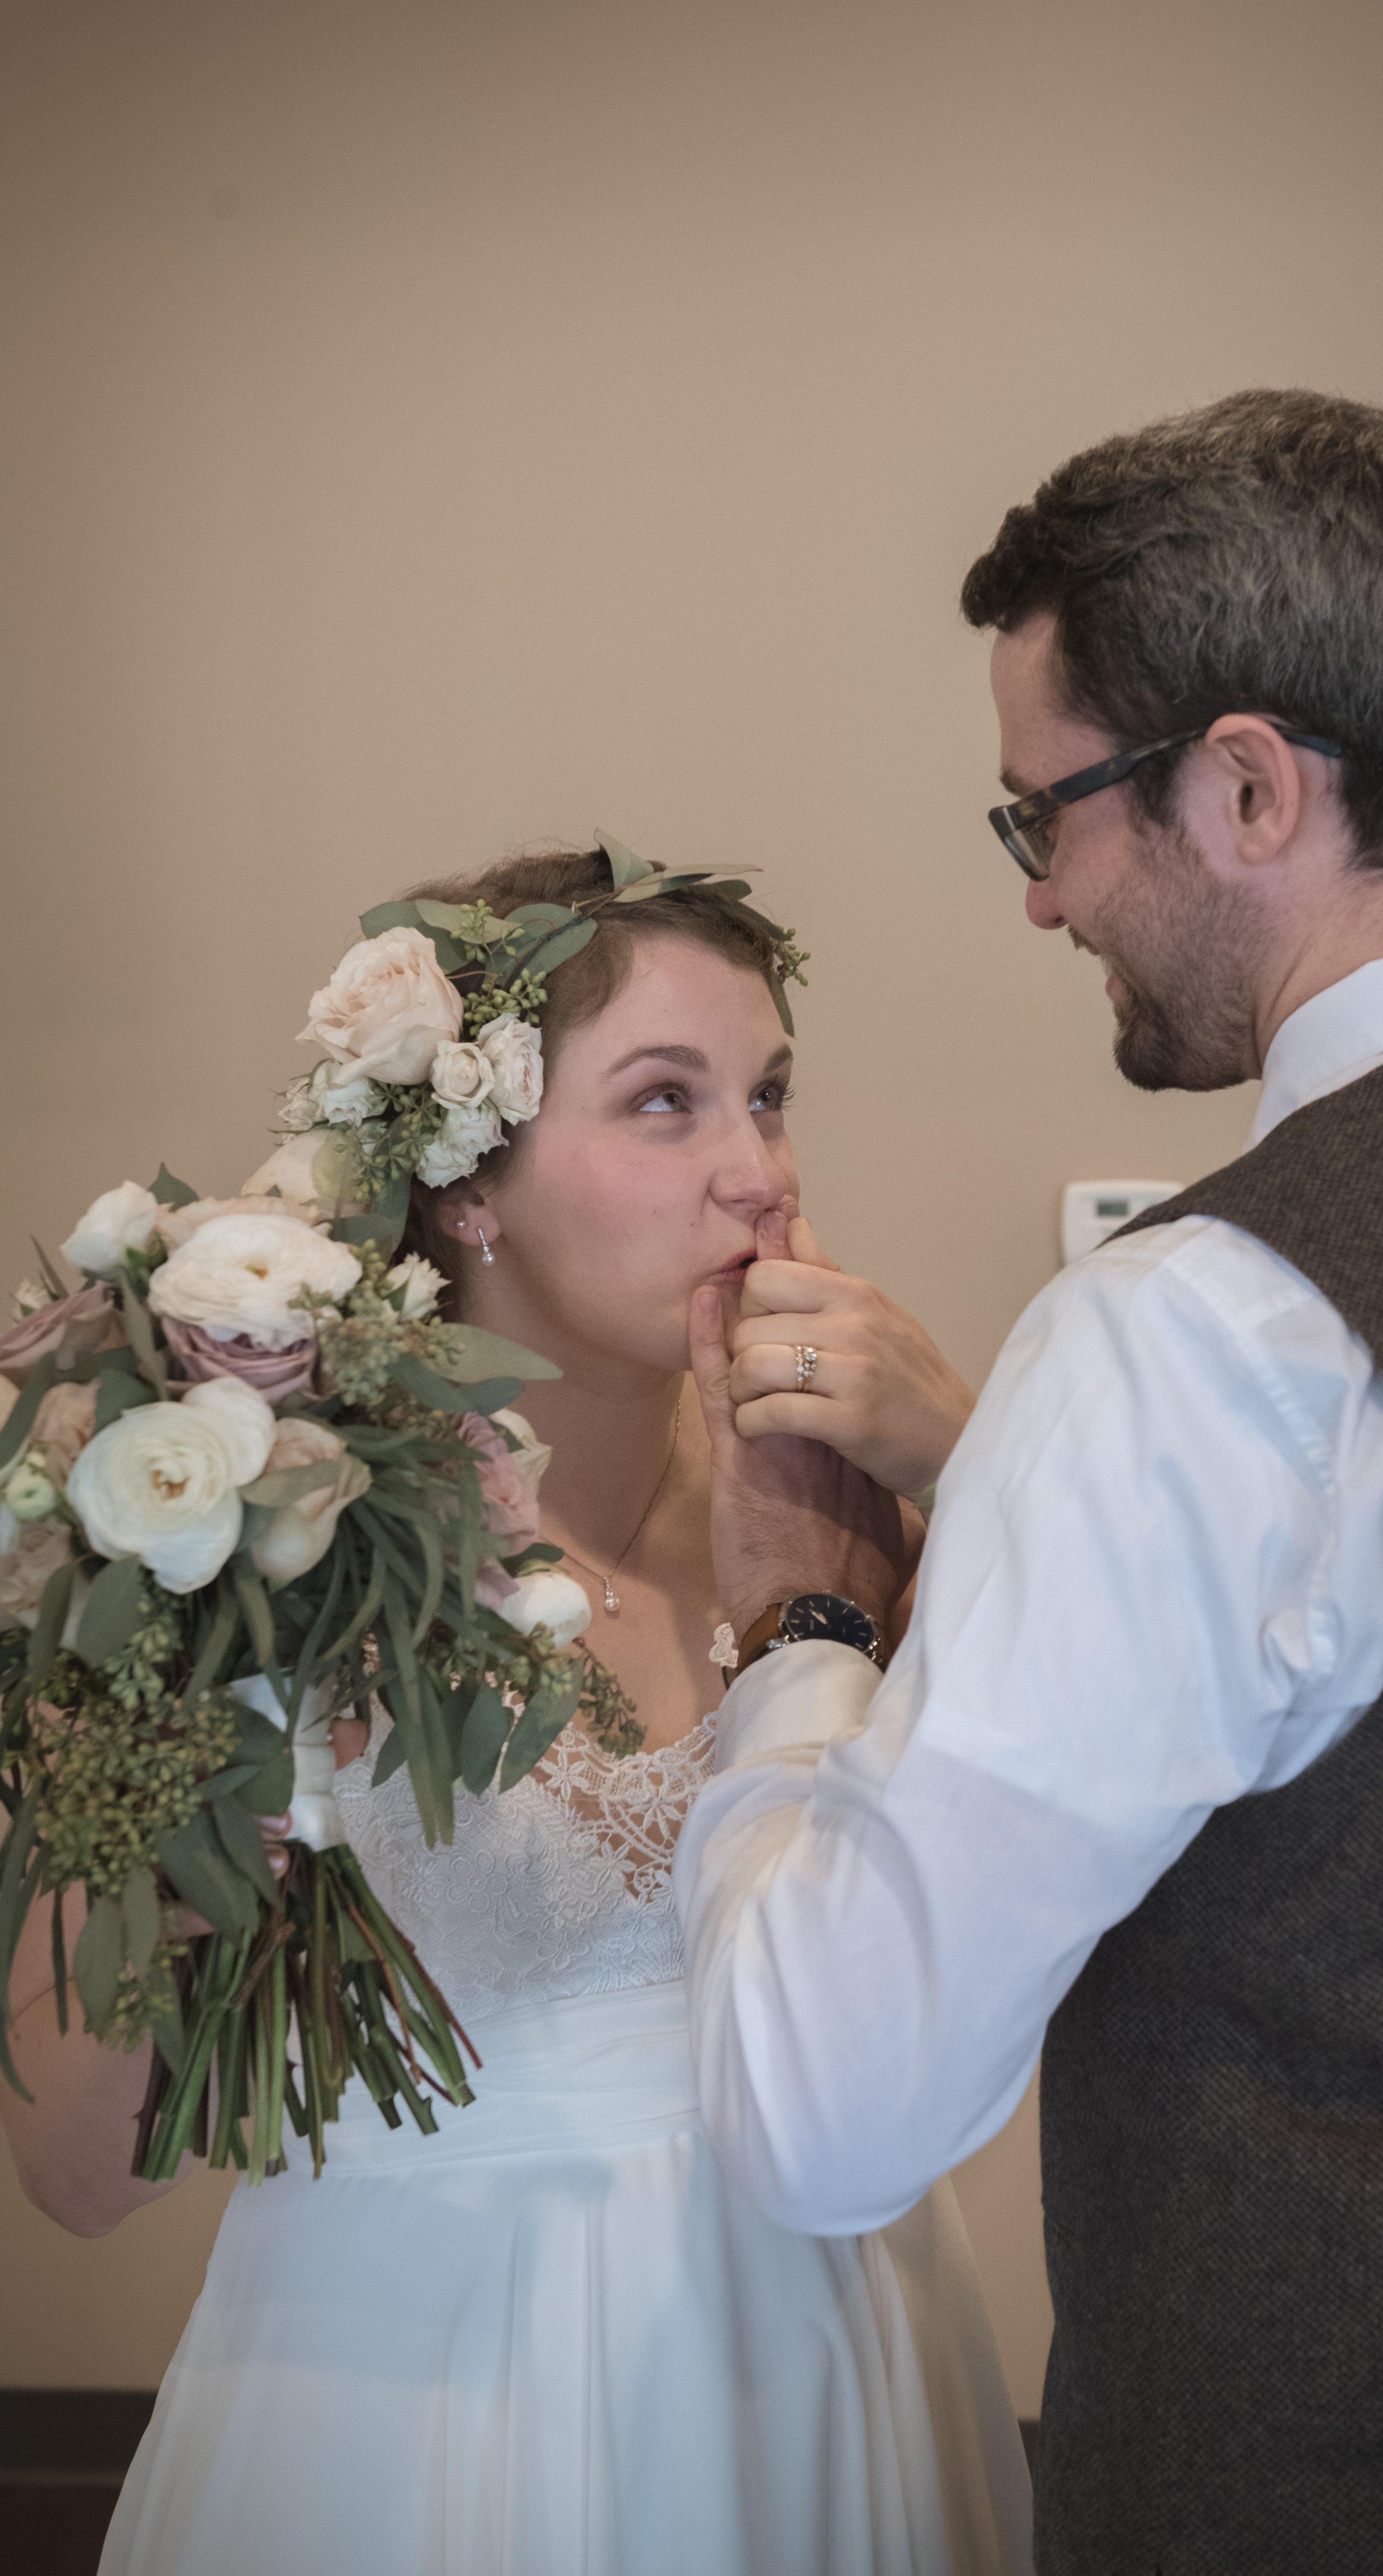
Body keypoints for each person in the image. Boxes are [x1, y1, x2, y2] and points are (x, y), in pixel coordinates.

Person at [673, 390, 1383, 2572]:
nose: (1043, 900)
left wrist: (803, 1629)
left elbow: (824, 2111)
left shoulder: (1196, 1330)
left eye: (1038, 817)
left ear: (1246, 785)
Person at [3, 850, 1032, 2576]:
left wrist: (968, 1468)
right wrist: (211, 1853)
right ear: (468, 1187)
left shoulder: (858, 1515)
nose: (760, 1176)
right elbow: (76, 2172)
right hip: (420, 2408)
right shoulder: (256, 1542)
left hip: (836, 2362)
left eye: (769, 1097)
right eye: (664, 1103)